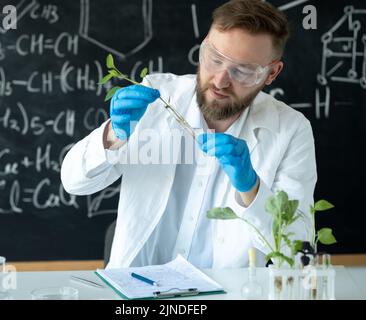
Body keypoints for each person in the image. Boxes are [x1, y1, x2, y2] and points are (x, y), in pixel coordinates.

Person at [61, 0, 316, 268]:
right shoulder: (157, 99)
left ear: (271, 73)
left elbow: (296, 249)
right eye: (215, 59)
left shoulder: (290, 129)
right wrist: (113, 134)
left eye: (242, 71)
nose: (220, 81)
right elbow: (74, 183)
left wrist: (251, 188)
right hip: (140, 292)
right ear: (204, 45)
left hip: (230, 291)